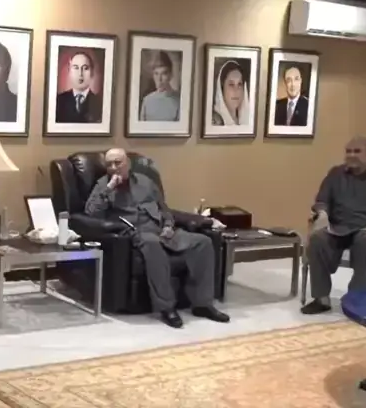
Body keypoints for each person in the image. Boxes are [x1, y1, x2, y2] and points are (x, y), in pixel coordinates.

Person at [84, 149, 230, 328]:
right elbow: (91, 213)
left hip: (160, 230)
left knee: (202, 242)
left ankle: (203, 304)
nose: (114, 168)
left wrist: (168, 225)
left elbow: (164, 209)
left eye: (118, 163)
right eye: (109, 164)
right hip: (136, 234)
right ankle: (167, 308)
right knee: (153, 245)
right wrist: (109, 189)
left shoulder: (146, 182)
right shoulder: (103, 186)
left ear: (127, 163)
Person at [302, 137, 366, 315]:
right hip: (337, 228)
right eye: (348, 151)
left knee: (364, 240)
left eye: (357, 151)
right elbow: (321, 201)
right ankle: (321, 299)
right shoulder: (335, 174)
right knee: (317, 238)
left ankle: (358, 299)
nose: (351, 155)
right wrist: (323, 214)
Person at [54, 51, 102, 123]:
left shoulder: (100, 103)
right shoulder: (58, 101)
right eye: (76, 68)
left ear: (92, 72)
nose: (80, 74)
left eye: (85, 68)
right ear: (69, 71)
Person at [139, 51, 180, 122]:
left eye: (163, 74)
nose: (159, 79)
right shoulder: (147, 100)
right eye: (156, 74)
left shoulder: (179, 101)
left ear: (170, 75)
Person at [211, 60, 250, 126]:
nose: (236, 90)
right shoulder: (215, 122)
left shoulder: (248, 121)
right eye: (231, 84)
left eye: (239, 84)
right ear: (222, 89)